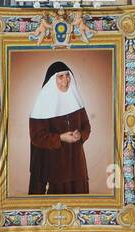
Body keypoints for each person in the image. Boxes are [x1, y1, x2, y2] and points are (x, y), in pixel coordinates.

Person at [28, 61, 90, 195]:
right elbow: (36, 137)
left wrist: (81, 135)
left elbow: (86, 126)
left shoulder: (76, 100)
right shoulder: (42, 105)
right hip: (53, 167)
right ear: (52, 80)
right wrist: (60, 138)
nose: (65, 80)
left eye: (67, 75)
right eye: (60, 76)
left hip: (77, 165)